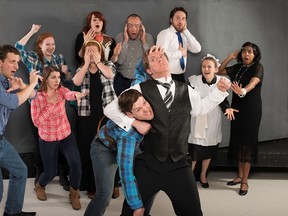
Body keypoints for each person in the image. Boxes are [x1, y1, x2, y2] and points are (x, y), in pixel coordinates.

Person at [104, 45, 231, 216]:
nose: (160, 59)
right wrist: (134, 122)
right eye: (154, 59)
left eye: (162, 56)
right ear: (148, 69)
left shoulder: (186, 90)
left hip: (179, 164)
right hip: (149, 164)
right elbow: (110, 109)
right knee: (130, 213)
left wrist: (219, 92)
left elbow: (201, 108)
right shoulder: (140, 89)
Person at [15, 24, 73, 191]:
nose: (51, 47)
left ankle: (63, 175)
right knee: (41, 140)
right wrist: (32, 31)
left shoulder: (58, 58)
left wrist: (66, 72)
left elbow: (68, 80)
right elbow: (18, 48)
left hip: (57, 105)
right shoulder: (33, 58)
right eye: (47, 44)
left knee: (62, 139)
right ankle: (41, 174)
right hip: (38, 105)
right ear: (40, 45)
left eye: (53, 44)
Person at [85, 89, 154, 216]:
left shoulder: (147, 97)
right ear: (129, 114)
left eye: (144, 103)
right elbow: (126, 171)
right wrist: (137, 206)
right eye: (138, 109)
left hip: (124, 144)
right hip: (103, 148)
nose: (145, 109)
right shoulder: (128, 135)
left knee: (148, 181)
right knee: (104, 194)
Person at [30, 66, 88, 210]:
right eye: (53, 77)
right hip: (47, 138)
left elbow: (69, 94)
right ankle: (40, 185)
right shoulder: (37, 97)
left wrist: (77, 95)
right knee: (50, 172)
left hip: (64, 134)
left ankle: (74, 193)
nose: (57, 81)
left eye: (58, 77)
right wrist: (50, 105)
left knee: (76, 164)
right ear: (45, 79)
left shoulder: (61, 90)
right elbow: (37, 122)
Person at [0, 44, 42, 216]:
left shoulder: (5, 82)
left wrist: (24, 85)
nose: (16, 67)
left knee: (20, 170)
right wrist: (31, 85)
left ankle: (13, 212)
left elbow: (33, 96)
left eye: (17, 62)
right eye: (12, 62)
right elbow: (12, 102)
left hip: (1, 141)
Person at [218, 42, 264, 196]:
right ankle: (239, 175)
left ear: (255, 55)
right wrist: (230, 57)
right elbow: (220, 70)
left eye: (250, 52)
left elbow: (253, 82)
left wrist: (243, 90)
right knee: (237, 141)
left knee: (248, 143)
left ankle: (245, 181)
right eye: (244, 51)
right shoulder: (237, 67)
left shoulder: (258, 67)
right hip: (237, 107)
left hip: (251, 108)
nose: (246, 54)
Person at [72, 39, 116, 199]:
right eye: (88, 50)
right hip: (86, 116)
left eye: (94, 50)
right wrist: (86, 64)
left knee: (108, 149)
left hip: (106, 114)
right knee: (87, 149)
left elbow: (110, 75)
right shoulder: (80, 69)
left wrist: (97, 62)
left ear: (100, 52)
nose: (91, 52)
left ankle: (112, 183)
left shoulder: (109, 65)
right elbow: (76, 81)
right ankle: (89, 184)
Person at [187, 54, 238, 188]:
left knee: (209, 149)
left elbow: (223, 101)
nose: (206, 69)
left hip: (213, 119)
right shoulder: (194, 81)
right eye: (204, 66)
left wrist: (227, 109)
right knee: (194, 151)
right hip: (197, 119)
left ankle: (203, 175)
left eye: (209, 66)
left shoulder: (221, 81)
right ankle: (188, 178)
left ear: (215, 69)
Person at [156, 7, 201, 83]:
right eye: (178, 18)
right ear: (171, 20)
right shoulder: (165, 34)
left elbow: (197, 49)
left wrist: (186, 31)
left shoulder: (183, 36)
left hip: (181, 77)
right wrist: (180, 53)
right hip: (167, 77)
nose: (180, 21)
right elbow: (160, 56)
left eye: (183, 19)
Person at [113, 13, 154, 95]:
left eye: (137, 25)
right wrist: (125, 41)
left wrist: (143, 41)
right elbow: (120, 61)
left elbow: (150, 61)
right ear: (126, 26)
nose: (133, 29)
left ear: (141, 27)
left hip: (139, 81)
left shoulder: (148, 38)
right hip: (121, 81)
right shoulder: (120, 37)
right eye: (130, 25)